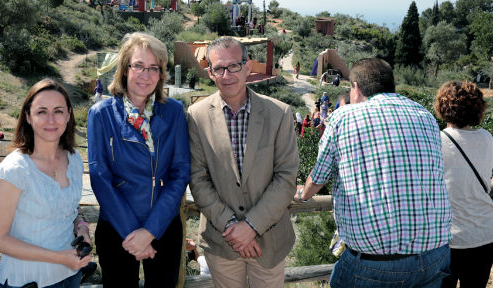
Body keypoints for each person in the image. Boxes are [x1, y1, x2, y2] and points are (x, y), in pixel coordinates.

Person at [295, 58, 452, 287]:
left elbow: (318, 178)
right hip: (434, 257)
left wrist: (303, 195)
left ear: (356, 88)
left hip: (374, 264)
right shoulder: (425, 116)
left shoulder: (344, 118)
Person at [188, 37, 299, 288]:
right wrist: (233, 227)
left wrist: (251, 226)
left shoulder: (279, 114)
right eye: (219, 68)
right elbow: (198, 178)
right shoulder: (196, 116)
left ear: (247, 67)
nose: (227, 75)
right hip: (222, 242)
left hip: (268, 244)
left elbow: (286, 176)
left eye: (234, 66)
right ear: (210, 73)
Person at [87, 32, 190, 288]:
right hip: (117, 228)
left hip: (163, 225)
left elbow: (180, 173)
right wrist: (134, 234)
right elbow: (100, 177)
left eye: (153, 68)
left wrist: (150, 231)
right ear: (124, 69)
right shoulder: (101, 114)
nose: (146, 75)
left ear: (161, 73)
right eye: (139, 66)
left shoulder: (174, 111)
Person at [0, 79, 92, 288]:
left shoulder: (74, 160)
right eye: (42, 111)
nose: (51, 120)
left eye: (58, 111)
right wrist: (59, 257)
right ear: (28, 116)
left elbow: (70, 209)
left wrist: (82, 230)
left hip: (69, 276)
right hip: (28, 281)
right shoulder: (16, 169)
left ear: (69, 114)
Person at [435, 81, 493, 288]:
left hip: (447, 238)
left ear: (443, 107)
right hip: (485, 234)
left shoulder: (435, 140)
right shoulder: (487, 138)